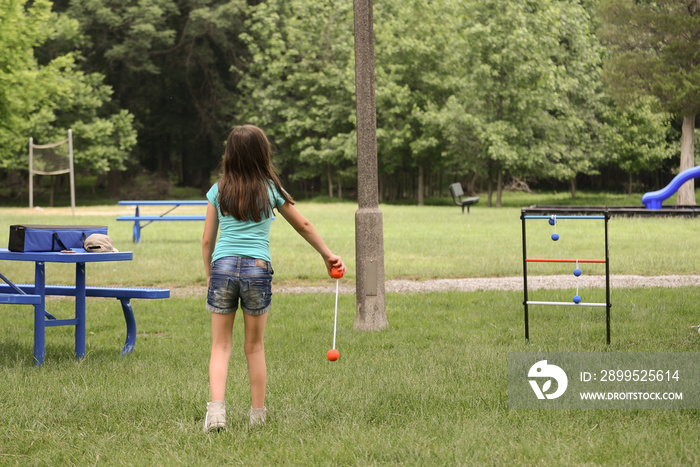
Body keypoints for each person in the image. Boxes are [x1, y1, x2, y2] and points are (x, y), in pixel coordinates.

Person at [202, 124, 346, 432]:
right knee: (254, 346)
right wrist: (327, 255)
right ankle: (257, 416)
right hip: (257, 268)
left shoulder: (219, 190)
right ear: (262, 154)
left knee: (220, 345)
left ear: (230, 154)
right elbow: (303, 225)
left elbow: (206, 241)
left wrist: (210, 275)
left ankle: (216, 414)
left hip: (223, 268)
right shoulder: (270, 189)